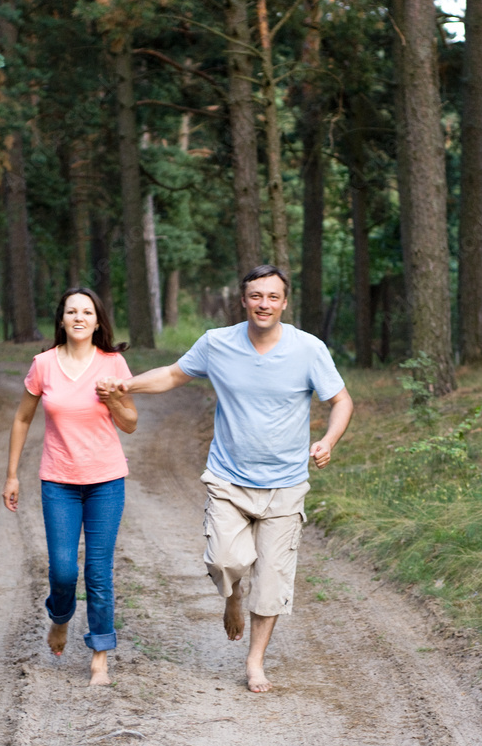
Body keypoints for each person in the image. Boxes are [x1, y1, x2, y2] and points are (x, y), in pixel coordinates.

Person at [96, 264, 353, 693]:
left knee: (271, 581)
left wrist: (329, 440)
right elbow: (174, 374)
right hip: (229, 479)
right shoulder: (218, 343)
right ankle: (232, 595)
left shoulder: (309, 349)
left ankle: (255, 662)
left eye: (272, 297)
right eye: (256, 296)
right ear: (243, 300)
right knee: (224, 562)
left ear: (285, 302)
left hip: (286, 483)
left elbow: (341, 400)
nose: (264, 304)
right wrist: (125, 388)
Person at [3, 287, 137, 687]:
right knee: (63, 571)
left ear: (98, 321)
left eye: (87, 312)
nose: (79, 317)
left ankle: (99, 656)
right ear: (61, 320)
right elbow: (22, 419)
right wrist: (12, 474)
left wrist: (113, 399)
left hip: (106, 481)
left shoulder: (113, 363)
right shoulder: (43, 364)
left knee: (98, 572)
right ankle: (59, 619)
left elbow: (130, 423)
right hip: (58, 481)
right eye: (71, 311)